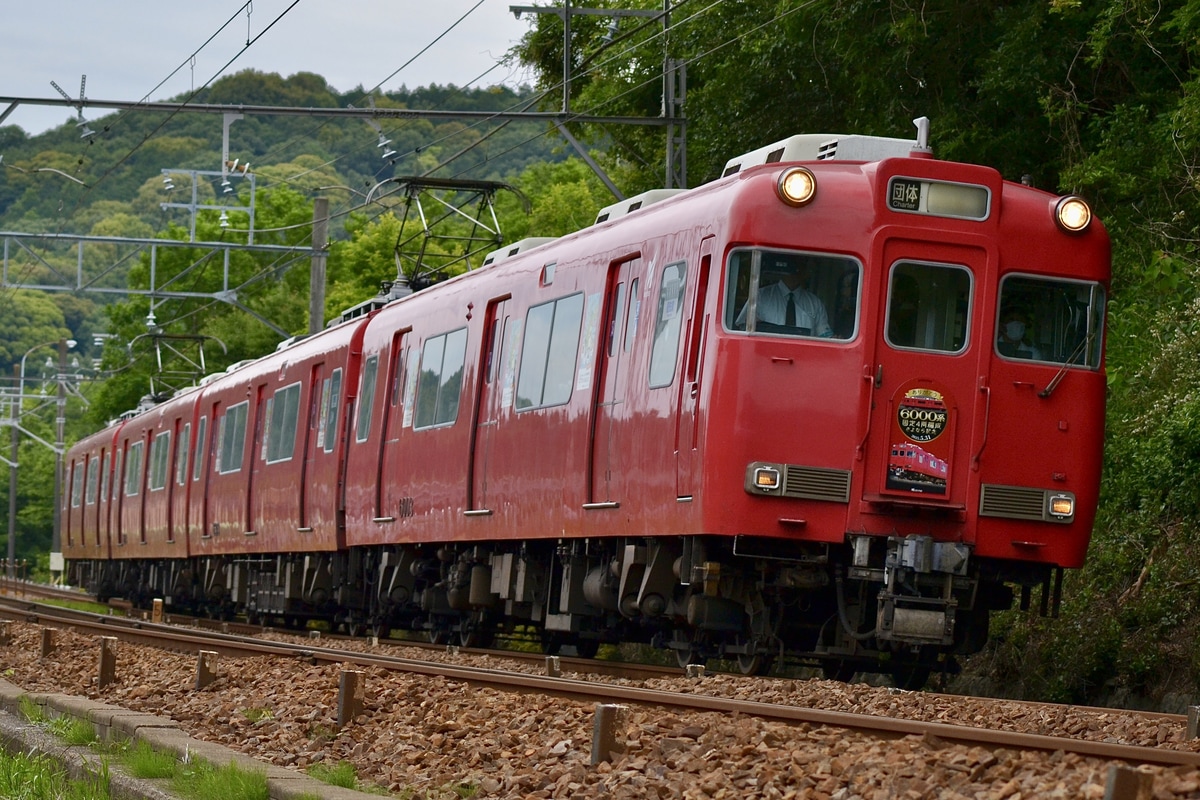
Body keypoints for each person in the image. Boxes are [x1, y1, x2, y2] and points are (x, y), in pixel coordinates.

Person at [736, 256, 832, 337]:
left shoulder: (815, 303)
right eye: (794, 266)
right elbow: (742, 329)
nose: (797, 270)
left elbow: (824, 336)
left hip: (804, 357)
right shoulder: (760, 296)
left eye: (802, 266)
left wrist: (834, 339)